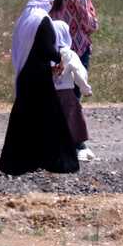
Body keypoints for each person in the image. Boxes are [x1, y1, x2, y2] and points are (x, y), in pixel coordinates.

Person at [0, 0, 79, 175]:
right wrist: (60, 58)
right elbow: (46, 49)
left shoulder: (24, 18)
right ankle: (60, 162)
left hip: (25, 76)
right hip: (39, 79)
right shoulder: (42, 20)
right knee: (51, 118)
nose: (51, 4)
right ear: (46, 0)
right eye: (50, 1)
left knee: (24, 119)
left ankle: (17, 163)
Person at [48, 0, 98, 158]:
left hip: (53, 51)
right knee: (73, 98)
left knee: (57, 96)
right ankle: (75, 143)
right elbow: (90, 23)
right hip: (77, 49)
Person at [52, 20, 94, 161]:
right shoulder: (69, 54)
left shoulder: (42, 53)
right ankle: (79, 148)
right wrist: (85, 88)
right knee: (73, 120)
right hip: (66, 94)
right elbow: (79, 72)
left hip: (48, 95)